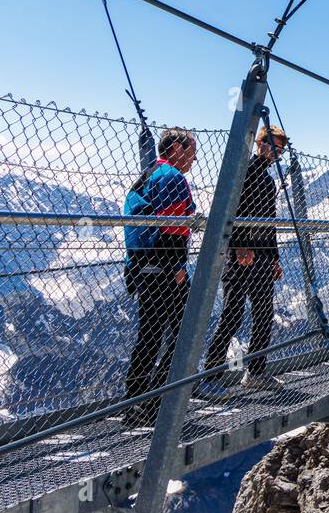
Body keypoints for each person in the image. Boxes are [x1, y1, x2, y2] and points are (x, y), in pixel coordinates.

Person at [201, 124, 288, 395]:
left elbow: (269, 224)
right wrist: (239, 247)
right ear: (259, 144)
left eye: (279, 150)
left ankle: (256, 372)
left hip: (260, 256)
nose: (274, 153)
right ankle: (210, 376)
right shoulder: (245, 173)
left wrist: (273, 258)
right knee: (232, 314)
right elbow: (232, 212)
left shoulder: (267, 180)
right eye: (271, 146)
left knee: (264, 313)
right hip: (240, 257)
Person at [121, 127, 197, 428]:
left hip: (143, 267)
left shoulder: (150, 174)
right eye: (191, 152)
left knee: (150, 336)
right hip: (164, 270)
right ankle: (156, 402)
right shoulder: (172, 178)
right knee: (184, 333)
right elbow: (172, 228)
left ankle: (136, 402)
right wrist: (176, 266)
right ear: (177, 149)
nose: (194, 159)